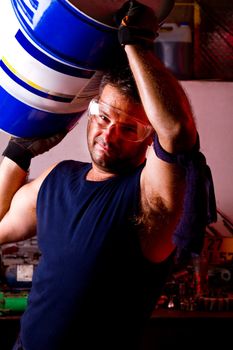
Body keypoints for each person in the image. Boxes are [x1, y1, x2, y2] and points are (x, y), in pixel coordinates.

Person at [0, 1, 216, 349]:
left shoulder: (150, 201)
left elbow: (177, 131)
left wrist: (136, 42)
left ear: (149, 138)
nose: (108, 134)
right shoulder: (57, 179)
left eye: (130, 128)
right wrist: (18, 154)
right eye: (103, 116)